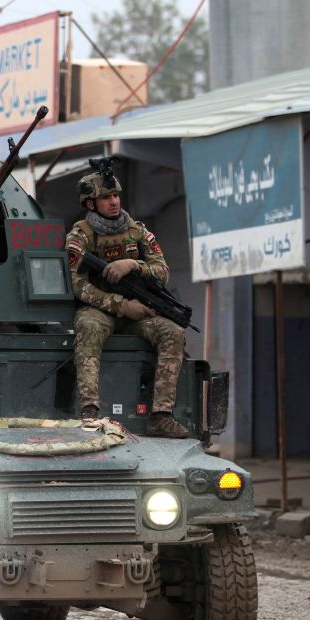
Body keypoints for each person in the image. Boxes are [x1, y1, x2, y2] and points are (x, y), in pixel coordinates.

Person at [66, 166, 189, 438]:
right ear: (91, 203)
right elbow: (76, 284)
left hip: (139, 308)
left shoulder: (138, 231)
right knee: (87, 326)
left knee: (173, 332)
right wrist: (119, 305)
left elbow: (163, 272)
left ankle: (161, 416)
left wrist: (133, 264)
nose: (114, 202)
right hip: (101, 309)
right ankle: (89, 411)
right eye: (106, 197)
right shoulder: (80, 235)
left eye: (116, 196)